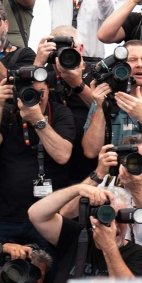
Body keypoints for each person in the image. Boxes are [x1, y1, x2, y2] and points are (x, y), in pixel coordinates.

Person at [0, 64, 74, 246]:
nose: (36, 98)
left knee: (49, 268)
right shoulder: (9, 112)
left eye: (41, 92)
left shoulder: (60, 112)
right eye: (29, 93)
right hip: (10, 215)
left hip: (49, 217)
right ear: (17, 92)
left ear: (49, 90)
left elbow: (62, 155)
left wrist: (37, 120)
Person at [64, 135, 142, 258]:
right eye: (135, 161)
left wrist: (136, 190)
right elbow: (66, 212)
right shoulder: (106, 182)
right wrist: (98, 173)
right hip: (102, 257)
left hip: (139, 262)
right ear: (122, 163)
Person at [27, 184, 142, 283]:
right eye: (106, 216)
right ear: (93, 218)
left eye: (120, 218)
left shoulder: (138, 254)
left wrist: (108, 246)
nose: (113, 225)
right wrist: (78, 189)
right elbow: (37, 215)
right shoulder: (76, 236)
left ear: (130, 222)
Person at [36, 25, 96, 184]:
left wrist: (77, 84)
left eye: (70, 49)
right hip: (52, 162)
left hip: (88, 164)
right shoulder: (44, 75)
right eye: (57, 50)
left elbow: (106, 109)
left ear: (81, 49)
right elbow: (24, 100)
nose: (64, 55)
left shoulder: (96, 73)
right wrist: (37, 64)